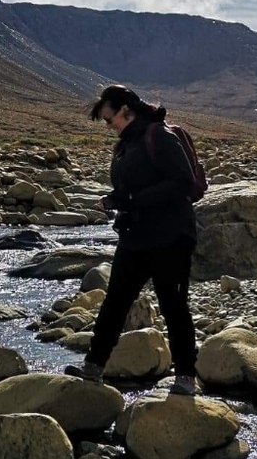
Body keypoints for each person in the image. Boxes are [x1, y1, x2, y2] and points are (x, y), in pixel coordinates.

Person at [65, 85, 198, 396]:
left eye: (110, 119)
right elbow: (131, 188)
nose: (109, 127)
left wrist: (134, 199)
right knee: (115, 303)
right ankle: (93, 368)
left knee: (173, 306)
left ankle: (186, 378)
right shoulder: (126, 144)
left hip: (171, 237)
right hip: (136, 236)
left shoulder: (159, 136)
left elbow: (184, 182)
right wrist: (114, 200)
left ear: (126, 110)